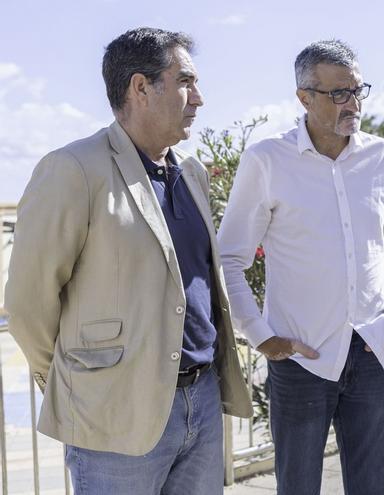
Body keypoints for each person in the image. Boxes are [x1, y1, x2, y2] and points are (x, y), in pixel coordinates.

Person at [4, 27, 252, 494]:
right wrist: (74, 383)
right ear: (141, 87)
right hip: (114, 413)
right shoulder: (73, 169)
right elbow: (27, 303)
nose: (198, 97)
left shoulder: (192, 173)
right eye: (185, 82)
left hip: (201, 400)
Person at [217, 39, 384, 495]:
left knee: (375, 489)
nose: (352, 104)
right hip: (299, 359)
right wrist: (260, 334)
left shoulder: (383, 158)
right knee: (298, 487)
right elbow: (229, 257)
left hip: (373, 353)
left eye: (357, 90)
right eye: (338, 94)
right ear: (304, 97)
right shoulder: (266, 160)